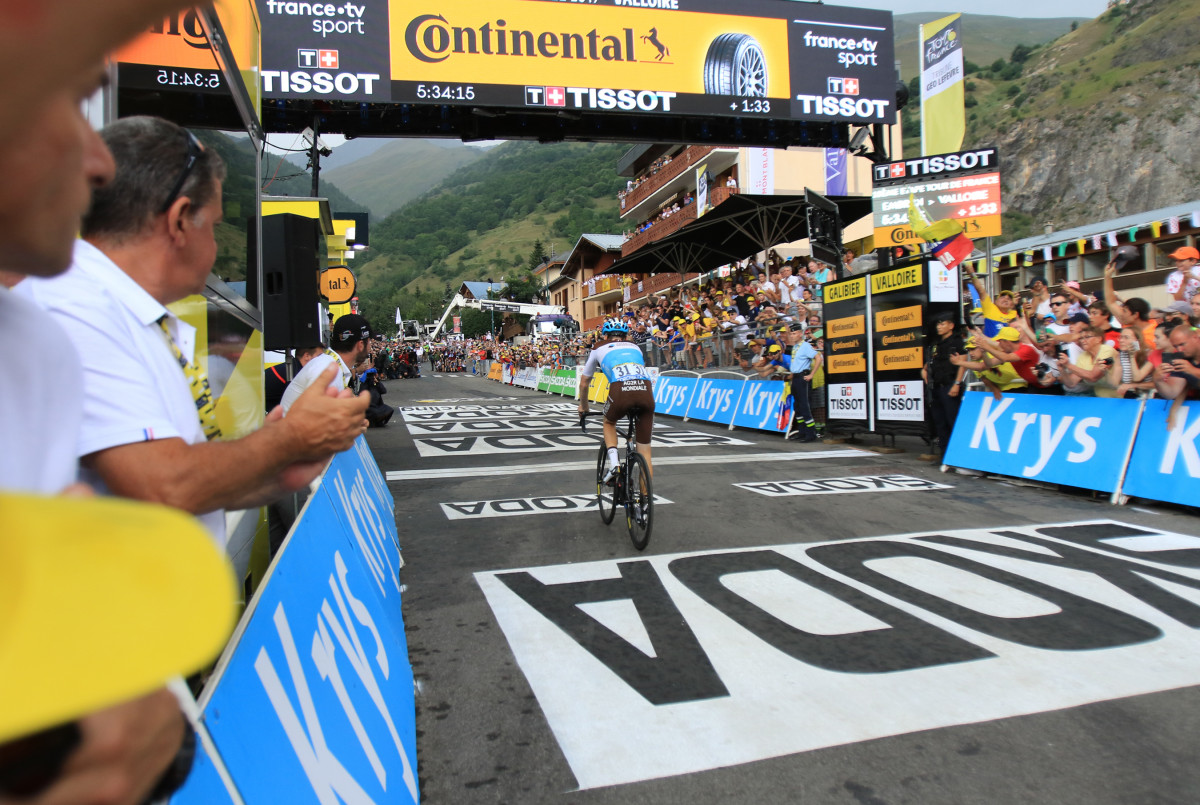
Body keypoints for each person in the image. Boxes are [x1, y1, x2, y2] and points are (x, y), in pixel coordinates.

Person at [17, 116, 369, 549]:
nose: (217, 248)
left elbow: (189, 484)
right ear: (181, 219)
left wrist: (281, 462)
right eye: (215, 224)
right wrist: (288, 439)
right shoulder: (76, 310)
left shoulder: (126, 313)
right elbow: (165, 484)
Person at [577, 319, 656, 482]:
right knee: (645, 452)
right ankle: (645, 504)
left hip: (621, 390)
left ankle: (614, 464)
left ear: (605, 335)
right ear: (625, 336)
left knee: (609, 422)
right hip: (646, 392)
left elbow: (584, 382)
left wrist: (584, 407)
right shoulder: (635, 347)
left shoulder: (598, 346)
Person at [922, 313, 967, 459]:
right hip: (936, 387)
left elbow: (962, 364)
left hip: (950, 385)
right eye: (938, 324)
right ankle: (944, 455)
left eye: (942, 324)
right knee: (939, 422)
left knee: (952, 420)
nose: (939, 327)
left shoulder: (957, 342)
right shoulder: (935, 344)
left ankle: (958, 454)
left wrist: (957, 383)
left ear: (951, 325)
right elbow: (926, 365)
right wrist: (925, 374)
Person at [784, 324, 822, 442]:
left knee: (805, 405)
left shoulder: (805, 346)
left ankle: (811, 433)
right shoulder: (795, 347)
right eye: (791, 333)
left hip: (802, 377)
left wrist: (811, 374)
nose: (792, 335)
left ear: (800, 334)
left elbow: (818, 357)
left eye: (794, 333)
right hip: (795, 377)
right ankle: (802, 431)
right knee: (798, 406)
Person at [1059, 325, 1120, 397]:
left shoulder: (1107, 350)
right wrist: (1062, 370)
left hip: (1120, 398)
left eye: (1087, 337)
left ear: (1098, 339)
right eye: (1081, 338)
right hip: (1100, 399)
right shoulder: (1083, 355)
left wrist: (1069, 365)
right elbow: (1072, 383)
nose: (1083, 341)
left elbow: (1093, 377)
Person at [264, 344, 323, 412]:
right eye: (319, 356)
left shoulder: (293, 368)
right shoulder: (291, 372)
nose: (322, 359)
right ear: (306, 356)